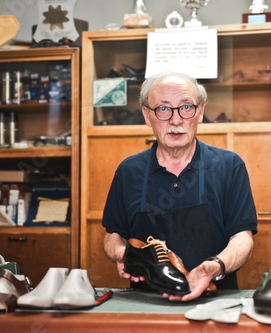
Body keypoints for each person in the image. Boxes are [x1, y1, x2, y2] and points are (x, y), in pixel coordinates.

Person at [102, 71, 258, 301]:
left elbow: (243, 238)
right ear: (147, 116)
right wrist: (122, 253)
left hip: (216, 299)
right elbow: (113, 234)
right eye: (163, 109)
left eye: (186, 107)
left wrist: (214, 266)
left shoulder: (229, 166)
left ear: (200, 111)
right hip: (146, 303)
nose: (176, 121)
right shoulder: (129, 171)